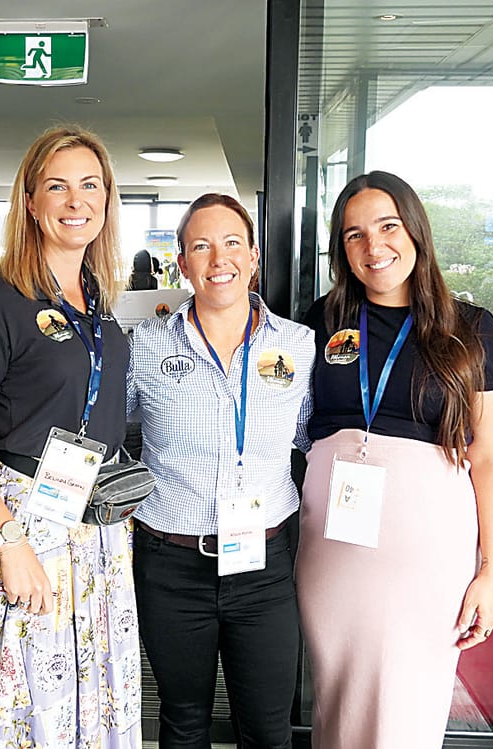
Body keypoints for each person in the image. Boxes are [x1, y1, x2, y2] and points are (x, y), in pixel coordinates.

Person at [0, 125, 140, 748]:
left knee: (93, 693)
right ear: (29, 201)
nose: (76, 201)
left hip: (96, 526)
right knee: (24, 703)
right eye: (57, 186)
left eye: (90, 185)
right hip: (25, 520)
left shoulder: (97, 297)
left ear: (107, 199)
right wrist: (9, 543)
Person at [296, 171, 493, 749]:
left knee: (409, 706)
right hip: (333, 550)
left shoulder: (473, 330)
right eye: (354, 234)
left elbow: (492, 458)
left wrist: (491, 573)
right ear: (341, 249)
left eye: (388, 226)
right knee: (339, 699)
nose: (374, 246)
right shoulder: (319, 322)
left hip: (429, 554)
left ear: (416, 230)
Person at [126, 193, 315, 748]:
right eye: (201, 247)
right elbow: (103, 430)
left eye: (232, 243)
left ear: (253, 256)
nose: (218, 259)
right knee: (184, 722)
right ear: (182, 263)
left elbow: (317, 439)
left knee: (268, 731)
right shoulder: (147, 345)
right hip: (170, 564)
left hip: (265, 567)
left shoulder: (298, 346)